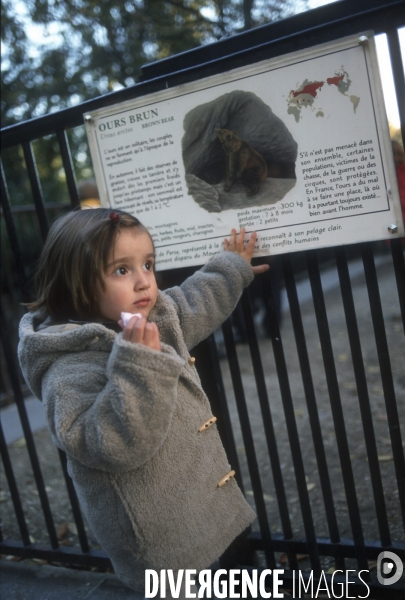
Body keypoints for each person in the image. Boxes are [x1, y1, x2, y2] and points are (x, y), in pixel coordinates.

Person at [18, 208, 269, 595]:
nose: (143, 283)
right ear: (75, 280)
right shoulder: (66, 365)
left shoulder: (154, 316)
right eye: (122, 270)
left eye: (147, 264)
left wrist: (231, 267)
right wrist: (139, 364)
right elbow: (109, 444)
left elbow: (194, 300)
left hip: (209, 503)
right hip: (163, 540)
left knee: (240, 576)